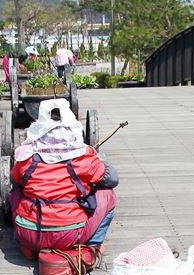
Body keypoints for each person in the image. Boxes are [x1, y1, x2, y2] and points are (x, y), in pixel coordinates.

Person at [9, 98, 118, 263]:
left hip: (31, 233)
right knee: (108, 195)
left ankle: (29, 246)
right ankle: (93, 246)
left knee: (16, 193)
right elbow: (112, 180)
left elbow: (15, 179)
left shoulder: (27, 156)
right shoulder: (83, 156)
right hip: (71, 234)